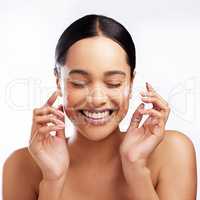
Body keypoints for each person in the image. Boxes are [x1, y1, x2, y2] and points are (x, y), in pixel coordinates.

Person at [3, 14, 197, 200]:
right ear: (58, 82)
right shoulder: (21, 166)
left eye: (113, 83)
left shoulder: (172, 152)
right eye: (79, 82)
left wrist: (136, 169)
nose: (97, 99)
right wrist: (52, 182)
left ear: (130, 83)